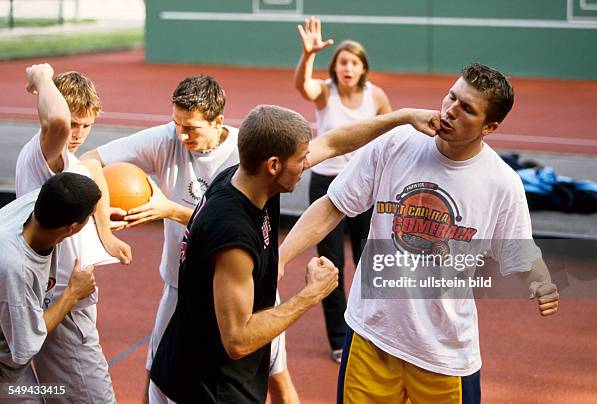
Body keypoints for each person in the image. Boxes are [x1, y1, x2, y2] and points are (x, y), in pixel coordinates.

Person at [279, 63, 560, 403]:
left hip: (443, 353)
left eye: (466, 108)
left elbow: (520, 252)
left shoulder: (502, 183)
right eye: (451, 97)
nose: (450, 110)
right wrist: (281, 256)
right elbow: (333, 205)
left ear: (490, 126)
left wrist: (541, 281)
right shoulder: (396, 144)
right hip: (372, 335)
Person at [149, 104, 441, 403]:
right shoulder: (233, 234)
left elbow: (333, 142)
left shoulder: (244, 178)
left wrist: (403, 117)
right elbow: (237, 340)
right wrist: (311, 293)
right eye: (301, 160)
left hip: (198, 371)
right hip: (207, 388)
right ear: (274, 165)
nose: (306, 165)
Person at [80, 75, 299, 403]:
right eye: (176, 123)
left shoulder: (246, 153)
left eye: (192, 128)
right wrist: (105, 233)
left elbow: (240, 226)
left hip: (246, 288)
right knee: (158, 373)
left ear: (218, 122)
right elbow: (90, 160)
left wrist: (170, 209)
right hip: (182, 286)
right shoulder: (167, 138)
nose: (181, 134)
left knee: (276, 376)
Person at [16, 63, 131, 404]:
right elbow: (57, 123)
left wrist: (104, 229)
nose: (77, 133)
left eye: (87, 125)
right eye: (74, 123)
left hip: (59, 299)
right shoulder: (45, 154)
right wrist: (41, 78)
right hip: (62, 302)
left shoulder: (68, 160)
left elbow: (93, 168)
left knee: (49, 394)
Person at [294, 17, 393, 362]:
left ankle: (372, 331)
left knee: (370, 260)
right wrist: (308, 56)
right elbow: (302, 86)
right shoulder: (325, 92)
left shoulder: (375, 96)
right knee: (330, 264)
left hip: (365, 188)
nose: (348, 67)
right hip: (327, 185)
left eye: (354, 62)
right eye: (342, 61)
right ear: (334, 67)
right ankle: (339, 339)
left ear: (363, 67)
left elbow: (390, 135)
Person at [0, 173, 100, 402]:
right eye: (90, 218)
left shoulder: (43, 200)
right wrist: (73, 293)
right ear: (72, 227)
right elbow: (25, 346)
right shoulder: (16, 268)